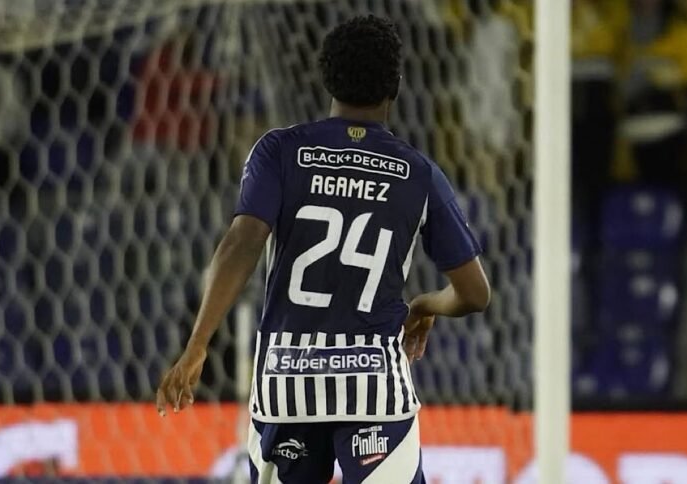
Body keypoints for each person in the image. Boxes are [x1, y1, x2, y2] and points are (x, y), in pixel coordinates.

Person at [156, 15, 490, 484]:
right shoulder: (418, 174)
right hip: (372, 387)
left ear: (327, 79)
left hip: (286, 384)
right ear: (395, 85)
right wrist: (424, 305)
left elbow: (242, 242)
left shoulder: (279, 151)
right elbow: (475, 294)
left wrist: (197, 346)